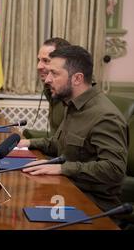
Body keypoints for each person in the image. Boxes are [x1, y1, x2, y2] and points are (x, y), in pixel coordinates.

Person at [19, 45, 128, 212]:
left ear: (77, 78)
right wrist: (26, 143)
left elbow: (113, 169)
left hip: (91, 204)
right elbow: (60, 144)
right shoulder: (72, 105)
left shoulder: (104, 116)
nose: (47, 80)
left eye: (54, 73)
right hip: (65, 190)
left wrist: (63, 168)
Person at [21, 38, 71, 143]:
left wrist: (32, 143)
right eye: (39, 60)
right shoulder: (51, 88)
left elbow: (67, 145)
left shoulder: (74, 93)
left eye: (46, 61)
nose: (38, 66)